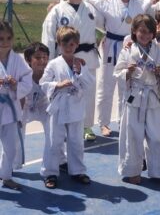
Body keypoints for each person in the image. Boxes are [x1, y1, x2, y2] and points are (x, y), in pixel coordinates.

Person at [114, 14, 160, 188]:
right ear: (134, 32)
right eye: (141, 31)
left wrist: (159, 72)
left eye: (148, 32)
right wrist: (128, 73)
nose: (145, 35)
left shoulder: (158, 50)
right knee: (132, 136)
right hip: (134, 97)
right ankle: (133, 171)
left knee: (159, 136)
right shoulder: (127, 50)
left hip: (152, 97)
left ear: (154, 33)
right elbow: (117, 72)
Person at [86, 0, 151, 137]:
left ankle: (123, 120)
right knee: (106, 85)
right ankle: (104, 123)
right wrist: (102, 28)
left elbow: (155, 2)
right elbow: (86, 0)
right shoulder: (106, 1)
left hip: (130, 46)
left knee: (127, 85)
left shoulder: (140, 3)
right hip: (111, 45)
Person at [42, 0, 100, 141]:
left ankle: (87, 126)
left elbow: (109, 24)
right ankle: (64, 125)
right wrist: (49, 62)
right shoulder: (57, 11)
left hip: (87, 56)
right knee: (66, 93)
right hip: (65, 57)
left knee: (88, 93)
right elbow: (49, 38)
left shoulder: (89, 8)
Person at [40, 26, 94, 189]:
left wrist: (81, 72)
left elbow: (89, 84)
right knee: (54, 141)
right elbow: (43, 84)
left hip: (76, 107)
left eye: (72, 44)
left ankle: (77, 171)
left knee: (76, 141)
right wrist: (57, 84)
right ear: (59, 44)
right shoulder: (53, 64)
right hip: (58, 107)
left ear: (77, 45)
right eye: (65, 44)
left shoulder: (80, 63)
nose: (69, 48)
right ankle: (50, 172)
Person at [14, 42, 68, 174]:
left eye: (45, 57)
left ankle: (60, 160)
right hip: (25, 106)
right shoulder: (22, 74)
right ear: (28, 60)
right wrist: (18, 117)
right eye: (38, 58)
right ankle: (12, 163)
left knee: (55, 130)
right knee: (15, 131)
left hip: (44, 105)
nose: (42, 61)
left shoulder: (52, 72)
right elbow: (19, 96)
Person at [0, 21, 32, 190]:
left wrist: (15, 85)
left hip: (11, 111)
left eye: (8, 38)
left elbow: (27, 80)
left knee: (11, 147)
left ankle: (6, 175)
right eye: (1, 38)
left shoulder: (17, 60)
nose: (5, 42)